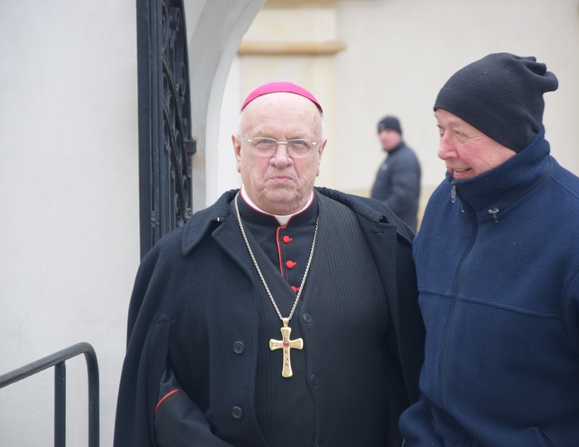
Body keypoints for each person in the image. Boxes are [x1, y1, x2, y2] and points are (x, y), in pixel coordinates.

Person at [113, 81, 425, 447]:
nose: (281, 158)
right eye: (264, 142)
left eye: (299, 143)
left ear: (320, 153)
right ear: (237, 151)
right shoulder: (179, 259)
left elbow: (413, 370)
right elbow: (155, 386)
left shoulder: (380, 241)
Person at [399, 53, 579, 446]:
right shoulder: (445, 203)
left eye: (460, 133)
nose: (443, 149)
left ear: (510, 134)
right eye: (440, 129)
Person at [371, 116, 421, 231]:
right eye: (380, 132)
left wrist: (378, 214)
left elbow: (402, 197)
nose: (383, 136)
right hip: (391, 227)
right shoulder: (393, 158)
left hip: (399, 230)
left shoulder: (404, 159)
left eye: (388, 131)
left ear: (399, 133)